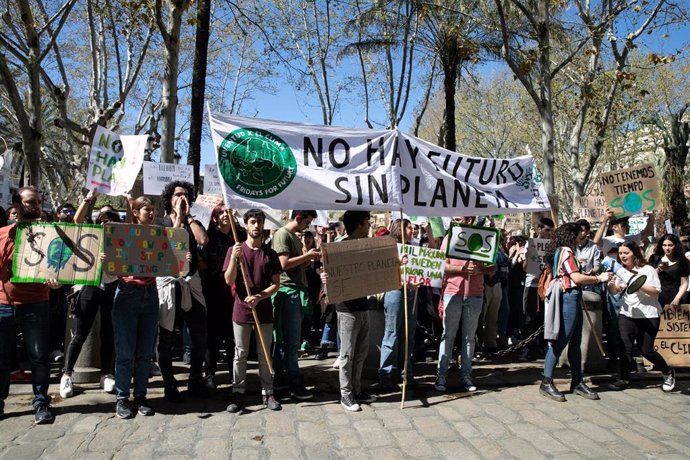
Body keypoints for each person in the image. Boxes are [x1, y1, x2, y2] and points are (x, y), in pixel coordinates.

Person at [0, 187, 62, 424]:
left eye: (38, 201)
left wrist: (56, 282)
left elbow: (59, 266)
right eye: (30, 202)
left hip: (36, 303)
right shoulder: (4, 234)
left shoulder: (50, 236)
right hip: (4, 304)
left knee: (38, 357)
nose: (35, 205)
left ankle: (41, 403)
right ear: (16, 205)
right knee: (2, 358)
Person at [539, 223, 613, 402]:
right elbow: (577, 278)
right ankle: (546, 381)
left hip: (573, 295)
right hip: (568, 297)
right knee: (561, 339)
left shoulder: (563, 251)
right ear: (569, 236)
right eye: (577, 233)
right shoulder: (566, 251)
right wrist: (598, 278)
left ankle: (577, 381)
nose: (581, 236)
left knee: (575, 341)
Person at [60, 190, 119, 398]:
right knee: (80, 332)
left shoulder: (120, 242)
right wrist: (87, 199)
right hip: (90, 286)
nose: (106, 224)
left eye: (110, 221)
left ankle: (107, 374)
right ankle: (67, 374)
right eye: (103, 220)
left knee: (108, 333)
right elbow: (76, 221)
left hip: (112, 287)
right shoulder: (91, 235)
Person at [225, 209, 282, 412]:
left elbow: (276, 283)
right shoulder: (236, 250)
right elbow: (228, 280)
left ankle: (268, 392)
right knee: (240, 354)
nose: (256, 226)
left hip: (264, 311)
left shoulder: (270, 254)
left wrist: (260, 296)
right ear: (245, 225)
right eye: (252, 222)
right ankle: (238, 392)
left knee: (264, 353)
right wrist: (234, 258)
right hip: (241, 311)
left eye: (259, 222)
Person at [157, 181, 209, 402]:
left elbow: (203, 240)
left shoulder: (192, 222)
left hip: (191, 284)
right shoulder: (161, 223)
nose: (182, 198)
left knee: (199, 336)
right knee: (167, 338)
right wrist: (177, 218)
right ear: (169, 199)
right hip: (170, 285)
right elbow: (166, 245)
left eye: (186, 195)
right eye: (178, 195)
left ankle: (195, 379)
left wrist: (187, 218)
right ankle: (169, 384)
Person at [321, 210, 376, 411]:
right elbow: (328, 276)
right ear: (360, 224)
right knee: (347, 355)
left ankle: (357, 389)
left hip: (363, 307)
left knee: (361, 352)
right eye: (367, 222)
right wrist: (325, 279)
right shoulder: (339, 248)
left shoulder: (366, 247)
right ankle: (346, 395)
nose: (370, 225)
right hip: (346, 310)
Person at [111, 196, 160, 419]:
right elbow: (111, 265)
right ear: (135, 212)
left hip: (150, 293)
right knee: (125, 352)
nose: (150, 213)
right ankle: (122, 398)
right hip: (127, 293)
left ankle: (140, 396)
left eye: (152, 210)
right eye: (145, 210)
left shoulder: (160, 235)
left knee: (144, 353)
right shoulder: (123, 233)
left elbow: (172, 259)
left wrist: (182, 257)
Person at [434, 216, 496, 393]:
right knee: (448, 336)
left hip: (475, 294)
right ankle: (441, 376)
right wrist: (462, 269)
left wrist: (481, 269)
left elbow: (492, 268)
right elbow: (442, 265)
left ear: (470, 219)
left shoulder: (484, 238)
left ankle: (466, 376)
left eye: (461, 218)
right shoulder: (449, 238)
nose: (457, 221)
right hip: (453, 293)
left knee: (469, 338)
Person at [607, 241, 675, 392]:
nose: (623, 256)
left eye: (626, 253)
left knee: (646, 350)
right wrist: (611, 285)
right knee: (625, 348)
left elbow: (655, 291)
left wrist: (635, 282)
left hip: (648, 315)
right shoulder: (621, 271)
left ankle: (668, 371)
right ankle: (624, 378)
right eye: (621, 254)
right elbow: (615, 291)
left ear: (635, 253)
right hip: (627, 314)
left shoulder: (648, 270)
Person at [593, 210, 654, 366]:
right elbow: (596, 241)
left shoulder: (631, 239)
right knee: (616, 322)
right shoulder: (608, 240)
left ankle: (630, 356)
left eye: (627, 224)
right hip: (616, 285)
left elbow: (647, 232)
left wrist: (651, 217)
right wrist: (605, 219)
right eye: (623, 224)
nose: (627, 226)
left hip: (633, 283)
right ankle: (615, 358)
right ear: (614, 227)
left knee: (632, 321)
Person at [271, 210, 319, 399]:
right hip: (288, 293)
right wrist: (307, 257)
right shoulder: (283, 235)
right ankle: (292, 381)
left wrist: (307, 260)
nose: (307, 226)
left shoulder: (291, 236)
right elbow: (283, 264)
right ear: (298, 218)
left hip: (294, 291)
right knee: (290, 342)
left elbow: (293, 265)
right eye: (306, 222)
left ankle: (283, 380)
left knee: (290, 341)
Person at [202, 204, 238, 389]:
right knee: (213, 338)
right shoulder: (210, 237)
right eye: (221, 212)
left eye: (228, 212)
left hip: (233, 295)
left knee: (232, 337)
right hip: (213, 293)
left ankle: (234, 374)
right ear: (215, 217)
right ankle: (209, 375)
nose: (226, 215)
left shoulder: (237, 236)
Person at [379, 218, 417, 390]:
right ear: (401, 229)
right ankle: (385, 373)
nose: (413, 230)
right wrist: (397, 263)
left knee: (408, 334)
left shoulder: (413, 248)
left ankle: (406, 372)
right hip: (395, 293)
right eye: (409, 227)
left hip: (411, 293)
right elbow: (383, 271)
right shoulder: (390, 247)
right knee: (392, 333)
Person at [521, 217, 555, 360]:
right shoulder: (531, 245)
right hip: (532, 285)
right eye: (547, 230)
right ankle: (527, 348)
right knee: (529, 318)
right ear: (539, 229)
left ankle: (542, 347)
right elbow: (525, 268)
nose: (549, 234)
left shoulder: (553, 246)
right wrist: (528, 258)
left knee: (543, 318)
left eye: (551, 231)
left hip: (547, 286)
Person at [648, 234, 689, 309]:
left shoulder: (682, 261)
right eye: (664, 245)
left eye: (670, 245)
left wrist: (677, 298)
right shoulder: (655, 259)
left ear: (676, 246)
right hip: (656, 299)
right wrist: (658, 270)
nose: (667, 248)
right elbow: (648, 278)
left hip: (675, 299)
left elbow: (684, 282)